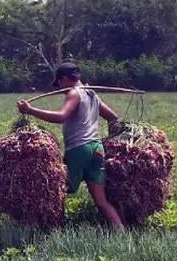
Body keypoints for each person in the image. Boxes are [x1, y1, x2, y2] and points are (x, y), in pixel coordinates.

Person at [16, 62, 126, 231]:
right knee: (101, 201)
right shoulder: (92, 94)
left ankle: (56, 230)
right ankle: (122, 233)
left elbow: (61, 116)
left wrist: (30, 110)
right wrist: (110, 139)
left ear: (65, 79)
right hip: (97, 149)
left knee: (58, 190)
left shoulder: (74, 94)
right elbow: (113, 118)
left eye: (59, 83)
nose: (60, 88)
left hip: (79, 150)